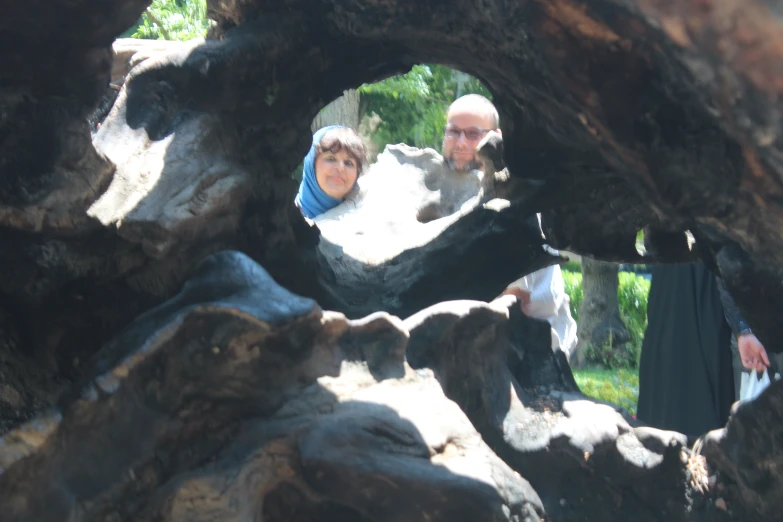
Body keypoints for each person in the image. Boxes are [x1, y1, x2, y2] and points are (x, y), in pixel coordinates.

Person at [442, 94, 578, 358]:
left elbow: (513, 301)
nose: (460, 143)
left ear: (495, 138)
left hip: (528, 354)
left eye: (472, 134)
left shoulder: (509, 200)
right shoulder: (446, 195)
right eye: (453, 132)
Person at [295, 125, 368, 219]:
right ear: (312, 164)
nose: (341, 167)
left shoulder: (367, 223)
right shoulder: (281, 219)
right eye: (331, 158)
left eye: (349, 163)